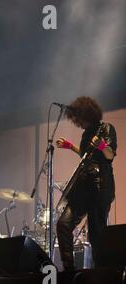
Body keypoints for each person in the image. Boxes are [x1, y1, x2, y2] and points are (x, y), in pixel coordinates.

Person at [56, 96, 116, 271]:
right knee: (63, 224)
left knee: (96, 235)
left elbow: (110, 155)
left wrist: (103, 145)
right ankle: (69, 271)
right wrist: (71, 146)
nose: (77, 123)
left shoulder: (106, 128)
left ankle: (101, 273)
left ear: (86, 114)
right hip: (83, 187)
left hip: (100, 186)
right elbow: (86, 156)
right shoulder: (86, 134)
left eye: (78, 119)